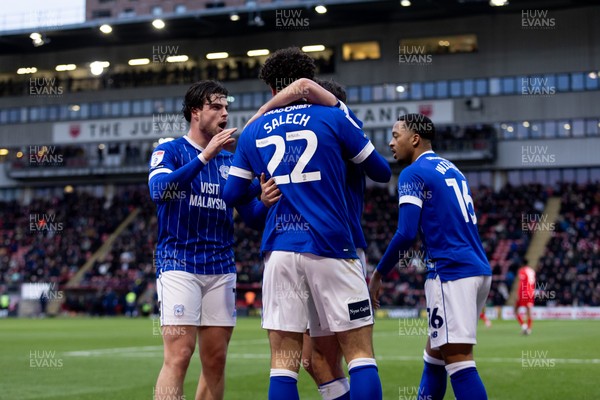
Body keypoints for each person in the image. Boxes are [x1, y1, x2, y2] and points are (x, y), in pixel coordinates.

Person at [222, 47, 390, 400]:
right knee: (358, 354)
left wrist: (267, 188)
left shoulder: (254, 131)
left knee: (284, 362)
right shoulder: (333, 118)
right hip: (332, 245)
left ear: (271, 89)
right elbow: (381, 172)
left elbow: (231, 194)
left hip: (280, 250)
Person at [149, 80, 279, 400]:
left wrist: (262, 201)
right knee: (179, 355)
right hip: (179, 262)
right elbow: (159, 191)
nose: (224, 113)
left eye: (226, 107)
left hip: (221, 266)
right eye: (216, 107)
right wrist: (204, 157)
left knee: (216, 360)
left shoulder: (232, 161)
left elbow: (249, 217)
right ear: (196, 112)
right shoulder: (170, 149)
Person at [246, 77, 367, 400]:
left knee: (332, 357)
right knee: (315, 360)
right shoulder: (335, 132)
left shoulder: (340, 129)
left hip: (335, 246)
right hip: (323, 249)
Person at [369, 113, 492, 400]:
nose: (390, 143)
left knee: (459, 360)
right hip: (476, 269)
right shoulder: (451, 168)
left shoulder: (413, 172)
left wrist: (378, 274)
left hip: (451, 272)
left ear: (415, 139)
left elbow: (406, 233)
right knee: (435, 354)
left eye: (395, 135)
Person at [515, 263, 536, 335]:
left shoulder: (522, 270)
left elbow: (522, 283)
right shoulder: (532, 271)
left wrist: (518, 293)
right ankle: (529, 329)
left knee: (515, 309)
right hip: (531, 292)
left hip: (524, 292)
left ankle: (524, 326)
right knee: (529, 311)